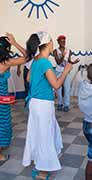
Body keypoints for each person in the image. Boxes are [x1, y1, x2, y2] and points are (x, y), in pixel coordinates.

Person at [22, 31, 72, 179]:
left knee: (41, 132)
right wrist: (66, 71)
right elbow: (56, 85)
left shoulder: (36, 60)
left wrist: (40, 84)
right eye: (51, 41)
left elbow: (29, 78)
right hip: (43, 104)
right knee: (44, 135)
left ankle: (40, 160)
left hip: (35, 103)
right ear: (46, 44)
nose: (53, 44)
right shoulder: (44, 62)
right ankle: (43, 171)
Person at [0, 33, 27, 165]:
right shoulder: (6, 62)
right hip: (1, 101)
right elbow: (27, 57)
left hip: (2, 99)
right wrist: (15, 42)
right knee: (2, 124)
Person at [53, 35, 79, 112]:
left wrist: (74, 62)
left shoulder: (68, 51)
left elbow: (69, 61)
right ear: (58, 42)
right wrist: (62, 56)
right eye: (61, 41)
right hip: (58, 71)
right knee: (59, 89)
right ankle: (60, 103)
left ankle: (66, 105)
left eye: (64, 41)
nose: (63, 42)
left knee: (67, 88)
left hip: (66, 72)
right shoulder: (55, 51)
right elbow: (58, 62)